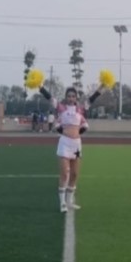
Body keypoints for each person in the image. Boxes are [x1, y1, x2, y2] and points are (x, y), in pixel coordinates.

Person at [41, 85, 104, 213]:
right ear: (66, 97)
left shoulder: (80, 109)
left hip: (76, 145)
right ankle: (62, 203)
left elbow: (92, 99)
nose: (71, 98)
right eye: (69, 96)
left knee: (74, 174)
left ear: (76, 98)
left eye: (73, 96)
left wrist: (101, 87)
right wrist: (40, 87)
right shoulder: (61, 108)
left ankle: (69, 201)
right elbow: (49, 98)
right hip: (64, 143)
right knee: (65, 174)